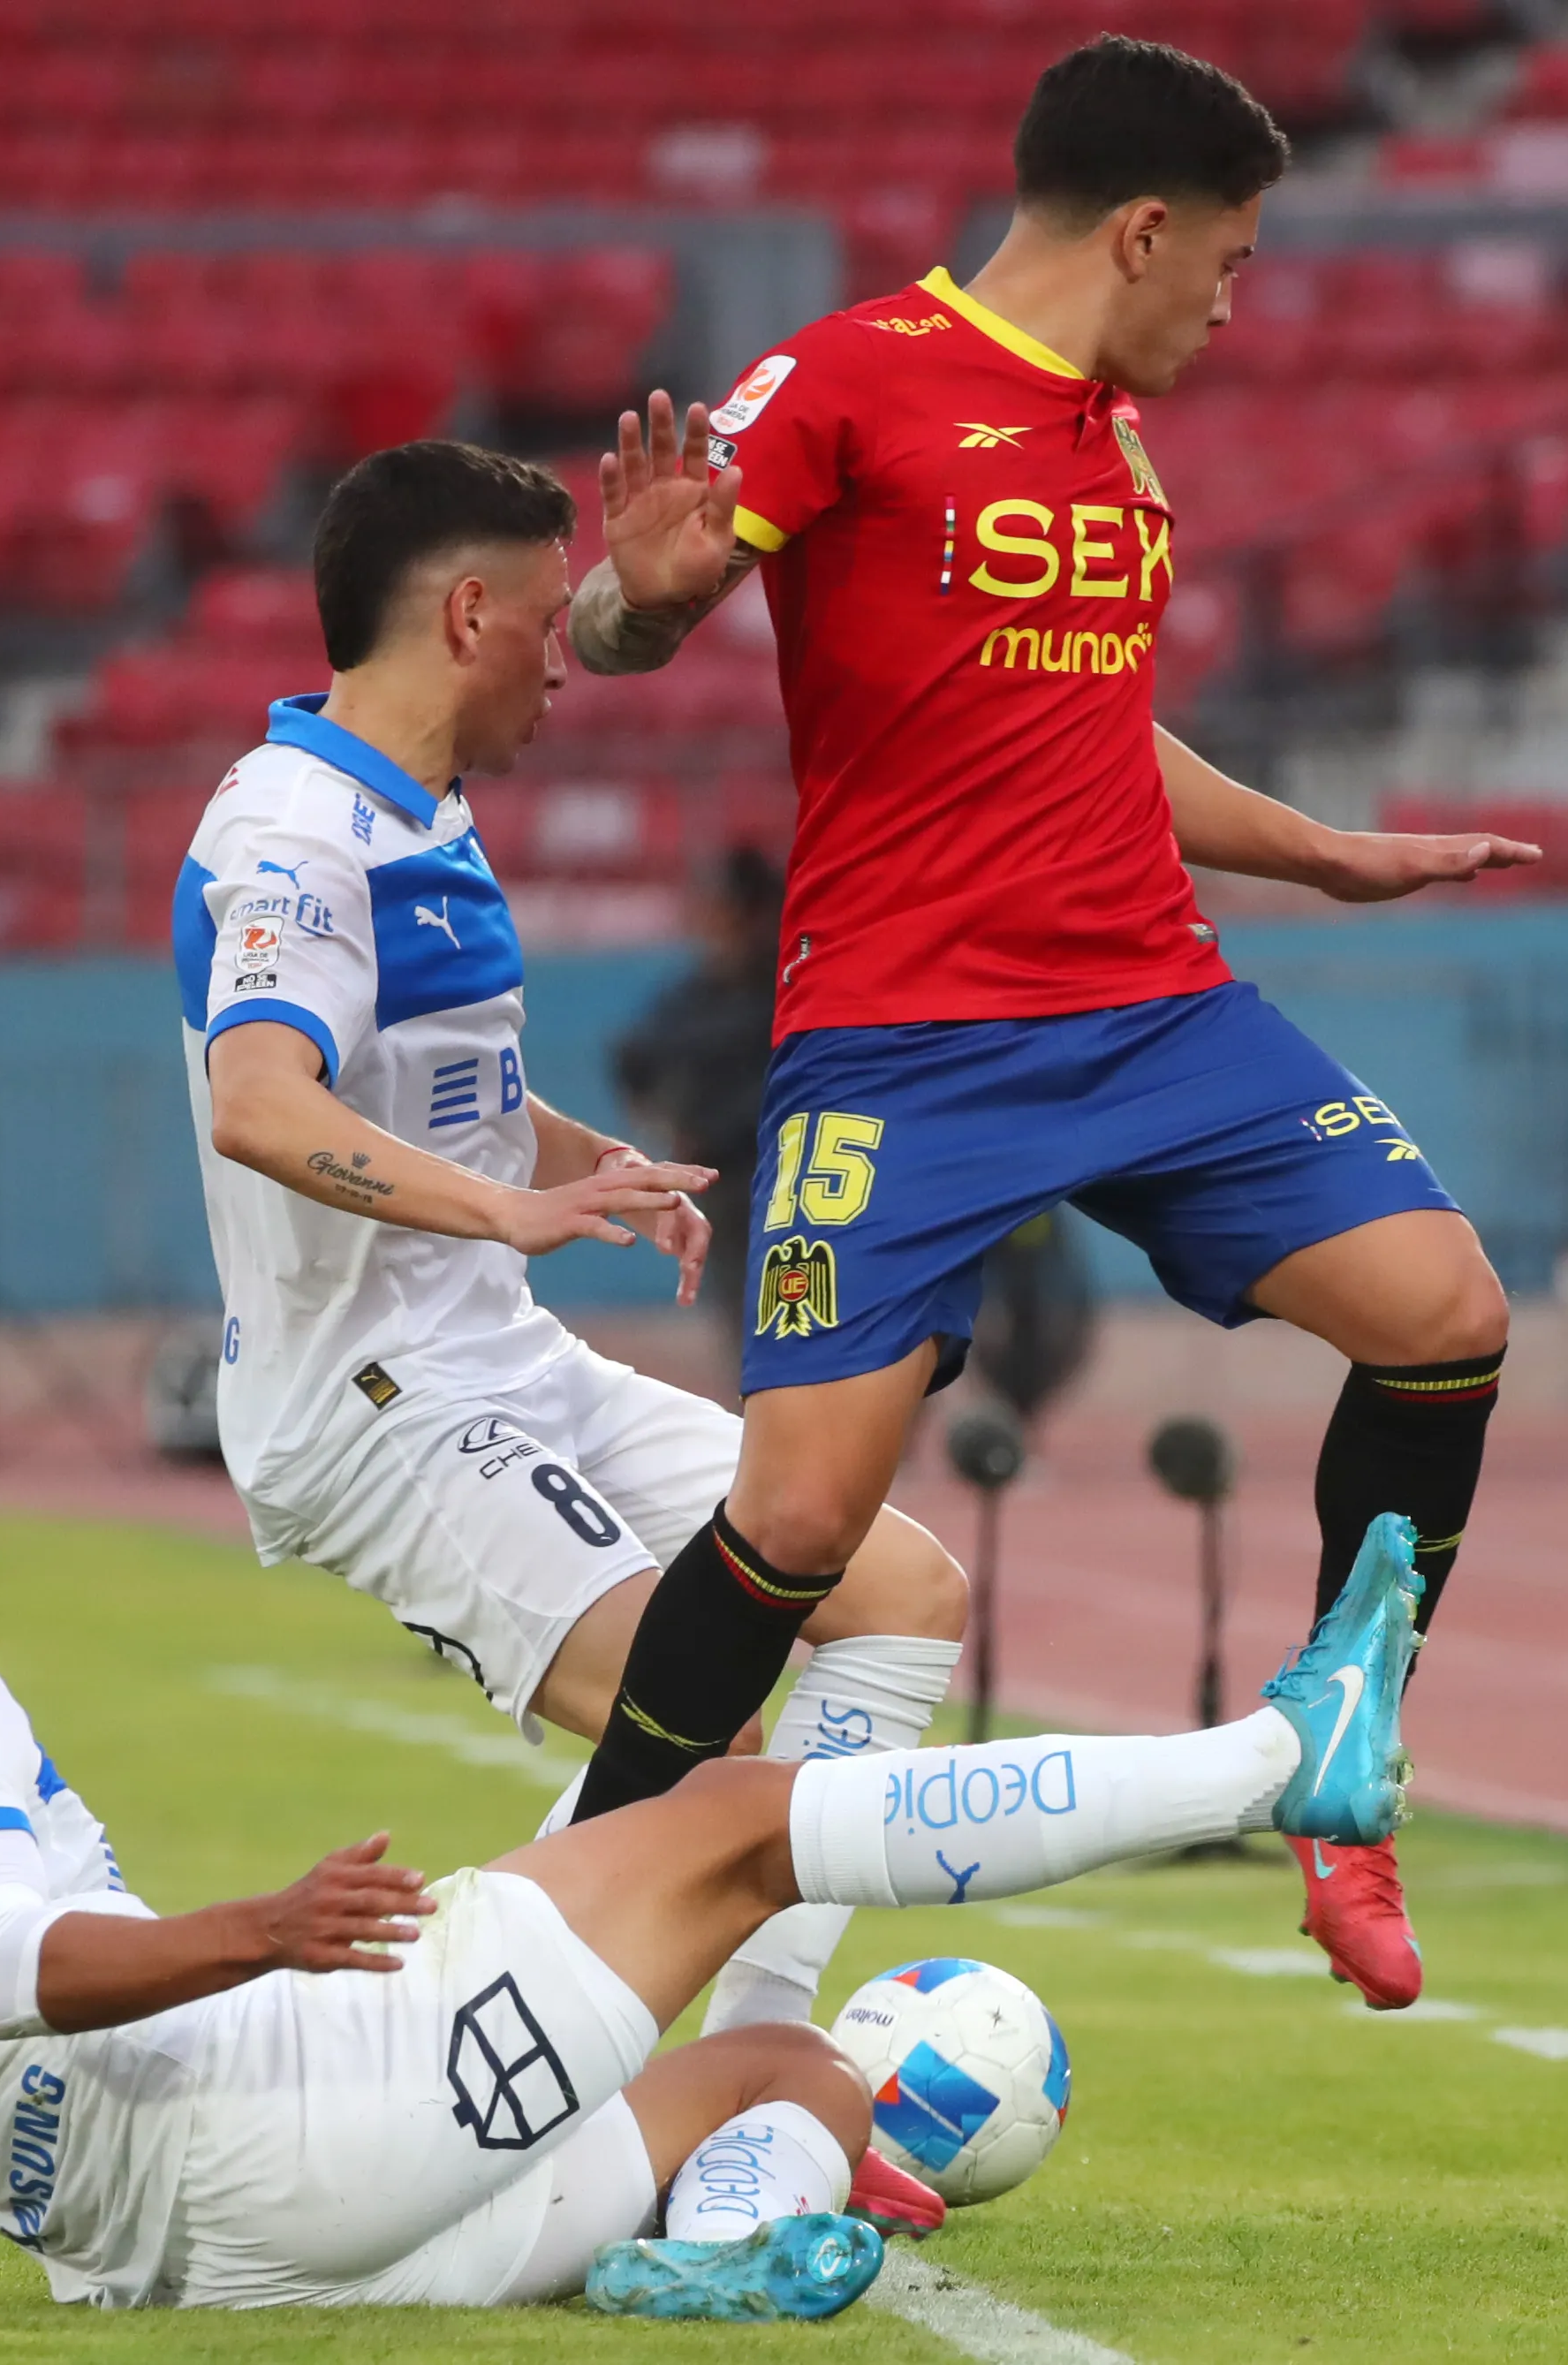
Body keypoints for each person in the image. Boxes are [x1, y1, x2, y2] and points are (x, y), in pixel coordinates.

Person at [562, 34, 1540, 2008]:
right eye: (1232, 261)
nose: (1233, 304)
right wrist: (638, 604)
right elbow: (619, 609)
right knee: (800, 1516)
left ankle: (1342, 1751)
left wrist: (1320, 855)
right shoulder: (846, 376)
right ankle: (573, 1904)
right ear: (1146, 230)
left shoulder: (1116, 443)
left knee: (1445, 1313)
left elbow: (1091, 726)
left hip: (1153, 1009)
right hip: (905, 1042)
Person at [0, 1378, 1428, 2317]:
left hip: (246, 2269)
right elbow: (10, 1964)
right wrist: (265, 1928)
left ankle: (719, 2243)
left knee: (787, 2069)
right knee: (734, 1820)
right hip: (289, 2110)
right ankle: (1280, 1761)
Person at [176, 441, 971, 2049]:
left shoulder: (422, 807)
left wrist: (582, 1162)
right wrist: (505, 1209)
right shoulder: (295, 835)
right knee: (695, 1718)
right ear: (466, 615)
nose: (566, 660)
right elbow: (259, 1101)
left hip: (501, 1355)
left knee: (900, 1590)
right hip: (377, 1398)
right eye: (548, 624)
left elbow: (442, 1085)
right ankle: (450, 2070)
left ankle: (754, 2043)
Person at [613, 845, 784, 1372]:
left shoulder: (786, 991)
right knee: (746, 1319)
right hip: (725, 1182)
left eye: (725, 908)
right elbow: (632, 1061)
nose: (712, 922)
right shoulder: (692, 997)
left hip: (788, 1175)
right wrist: (667, 1124)